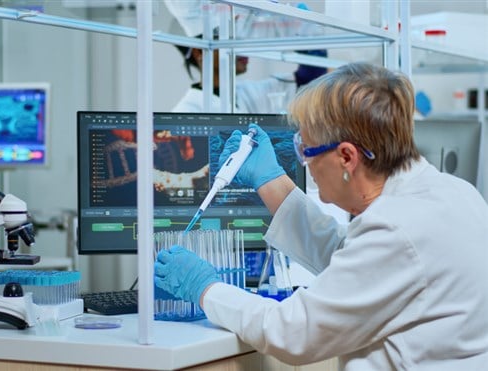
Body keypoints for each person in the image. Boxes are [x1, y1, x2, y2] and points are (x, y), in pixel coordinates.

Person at [155, 62, 488, 369]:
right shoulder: (456, 194)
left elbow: (294, 332)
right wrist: (272, 183)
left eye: (306, 150)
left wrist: (206, 288)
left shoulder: (396, 228)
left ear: (346, 157)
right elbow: (358, 264)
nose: (304, 163)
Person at [171, 37, 327, 113]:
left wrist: (292, 28)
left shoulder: (246, 91)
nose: (242, 48)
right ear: (200, 51)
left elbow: (310, 78)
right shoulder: (187, 110)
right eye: (231, 39)